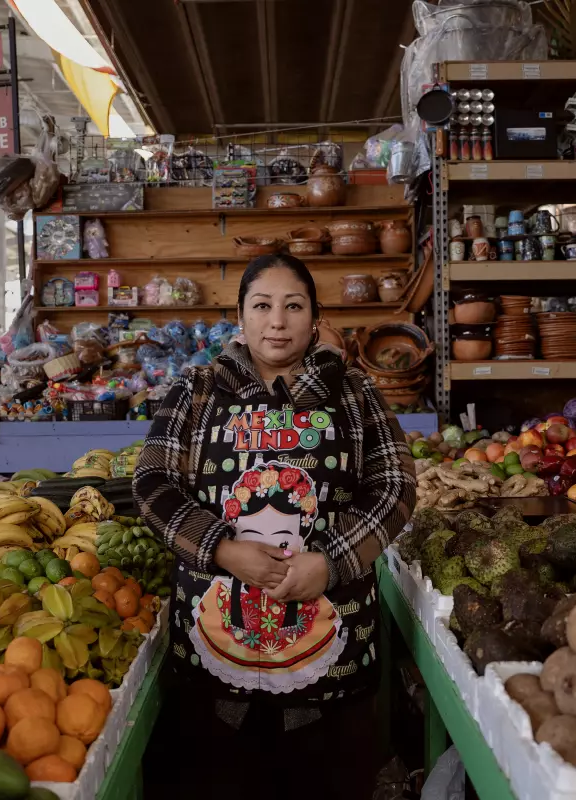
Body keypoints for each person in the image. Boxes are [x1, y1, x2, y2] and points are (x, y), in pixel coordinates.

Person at [134, 254, 416, 799]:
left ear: (315, 317)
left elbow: (396, 486)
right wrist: (221, 549)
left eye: (294, 306)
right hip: (216, 653)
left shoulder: (353, 394)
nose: (278, 322)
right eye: (262, 306)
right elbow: (152, 486)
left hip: (331, 660)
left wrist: (333, 560)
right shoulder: (195, 391)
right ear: (240, 317)